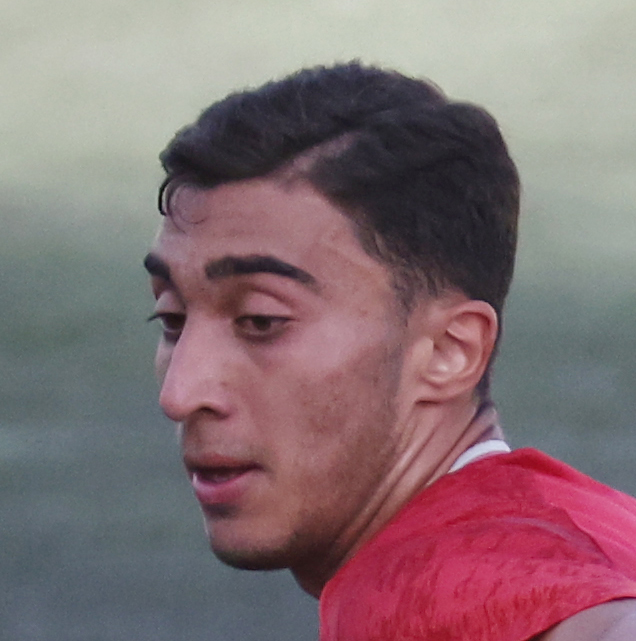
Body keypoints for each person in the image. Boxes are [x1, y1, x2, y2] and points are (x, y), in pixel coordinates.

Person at [143, 62, 636, 640]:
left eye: (261, 321)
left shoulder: (444, 590)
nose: (180, 393)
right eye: (172, 320)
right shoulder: (591, 524)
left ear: (449, 351)